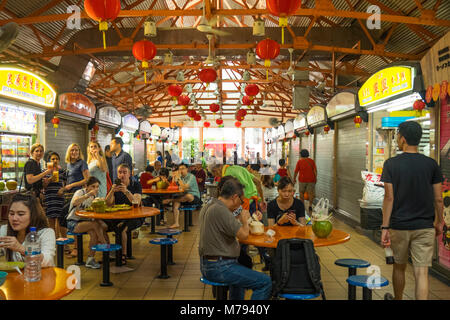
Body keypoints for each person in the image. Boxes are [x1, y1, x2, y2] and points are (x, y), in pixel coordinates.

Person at [380, 121, 444, 300]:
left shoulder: (391, 164)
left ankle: (398, 298)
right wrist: (439, 221)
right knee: (421, 272)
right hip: (424, 226)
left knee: (399, 266)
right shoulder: (431, 164)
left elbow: (389, 198)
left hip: (399, 226)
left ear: (402, 138)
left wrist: (385, 227)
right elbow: (438, 198)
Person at [199, 176, 272, 300]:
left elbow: (230, 224)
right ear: (234, 197)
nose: (241, 204)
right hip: (220, 266)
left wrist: (249, 218)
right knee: (265, 282)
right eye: (241, 200)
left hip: (209, 264)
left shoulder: (210, 205)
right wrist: (244, 221)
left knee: (240, 277)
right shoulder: (221, 210)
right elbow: (243, 234)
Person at [0, 193, 56, 267]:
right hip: (16, 277)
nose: (14, 218)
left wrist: (21, 249)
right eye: (11, 213)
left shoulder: (46, 233)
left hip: (41, 276)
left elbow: (47, 260)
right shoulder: (5, 230)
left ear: (33, 215)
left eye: (20, 214)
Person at [66, 177, 107, 269]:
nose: (95, 189)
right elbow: (75, 202)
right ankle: (105, 245)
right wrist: (88, 195)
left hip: (85, 221)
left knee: (95, 233)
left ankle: (90, 259)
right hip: (72, 222)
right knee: (95, 225)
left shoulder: (94, 197)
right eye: (93, 186)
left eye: (97, 187)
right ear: (86, 186)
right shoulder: (80, 192)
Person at [106, 164, 143, 263]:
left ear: (130, 174)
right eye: (120, 172)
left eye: (124, 172)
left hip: (135, 217)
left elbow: (137, 202)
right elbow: (108, 204)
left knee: (122, 229)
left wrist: (126, 191)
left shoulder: (135, 185)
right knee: (100, 225)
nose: (122, 175)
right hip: (118, 216)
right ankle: (109, 251)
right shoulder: (115, 187)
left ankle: (123, 254)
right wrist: (111, 191)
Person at [163, 163, 201, 228]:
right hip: (183, 197)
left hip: (194, 197)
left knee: (188, 196)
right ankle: (176, 223)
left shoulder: (191, 177)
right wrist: (173, 178)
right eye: (180, 169)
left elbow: (184, 187)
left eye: (183, 169)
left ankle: (170, 200)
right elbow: (173, 186)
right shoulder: (180, 177)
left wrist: (178, 178)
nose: (181, 170)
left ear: (187, 169)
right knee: (176, 202)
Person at [42, 152, 67, 239]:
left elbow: (66, 184)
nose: (55, 160)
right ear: (49, 161)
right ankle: (53, 242)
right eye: (53, 159)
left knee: (61, 221)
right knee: (51, 221)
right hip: (50, 198)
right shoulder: (44, 172)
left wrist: (63, 189)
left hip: (60, 198)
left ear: (59, 160)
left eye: (56, 158)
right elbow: (43, 186)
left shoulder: (62, 171)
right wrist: (50, 179)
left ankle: (64, 242)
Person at [293, 149, 317, 214]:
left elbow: (296, 171)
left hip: (302, 179)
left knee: (301, 193)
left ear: (301, 154)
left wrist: (294, 179)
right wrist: (315, 178)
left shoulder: (299, 162)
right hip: (311, 179)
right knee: (310, 193)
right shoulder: (312, 161)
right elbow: (315, 171)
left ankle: (302, 205)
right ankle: (310, 205)